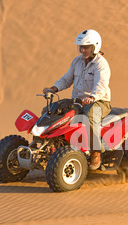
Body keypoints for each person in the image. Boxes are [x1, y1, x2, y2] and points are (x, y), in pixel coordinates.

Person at [43, 29, 111, 170]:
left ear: (95, 47)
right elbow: (67, 79)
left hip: (99, 101)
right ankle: (51, 146)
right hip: (78, 102)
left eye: (86, 47)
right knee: (50, 111)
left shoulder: (101, 64)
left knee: (90, 117)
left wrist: (92, 97)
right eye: (81, 47)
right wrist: (53, 89)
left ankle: (95, 152)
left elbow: (101, 85)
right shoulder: (77, 61)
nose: (83, 50)